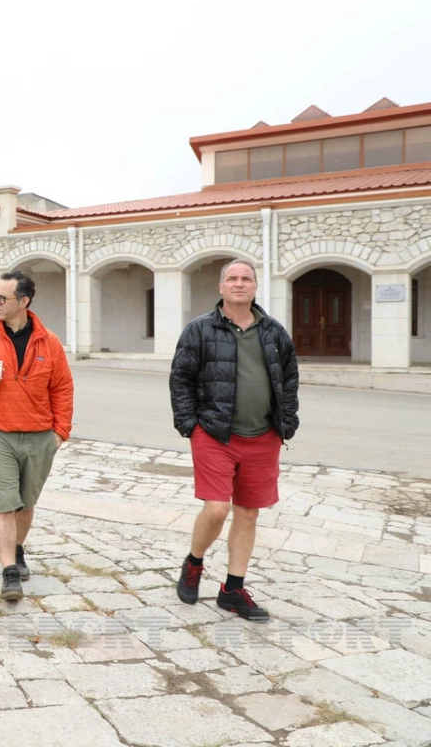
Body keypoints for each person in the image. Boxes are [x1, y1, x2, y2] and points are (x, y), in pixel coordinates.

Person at [171, 258, 299, 622]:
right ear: (221, 287)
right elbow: (181, 378)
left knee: (248, 512)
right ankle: (194, 562)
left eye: (246, 278)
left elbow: (289, 377)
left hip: (263, 436)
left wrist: (286, 422)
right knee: (216, 509)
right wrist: (190, 425)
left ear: (255, 286)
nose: (239, 283)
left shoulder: (273, 332)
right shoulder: (199, 329)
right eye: (232, 278)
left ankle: (232, 589)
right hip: (214, 434)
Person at [0, 270, 73, 601]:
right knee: (5, 502)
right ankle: (9, 570)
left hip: (39, 436)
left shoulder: (49, 342)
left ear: (23, 301)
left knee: (26, 502)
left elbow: (62, 389)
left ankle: (18, 548)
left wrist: (59, 434)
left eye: (1, 298)